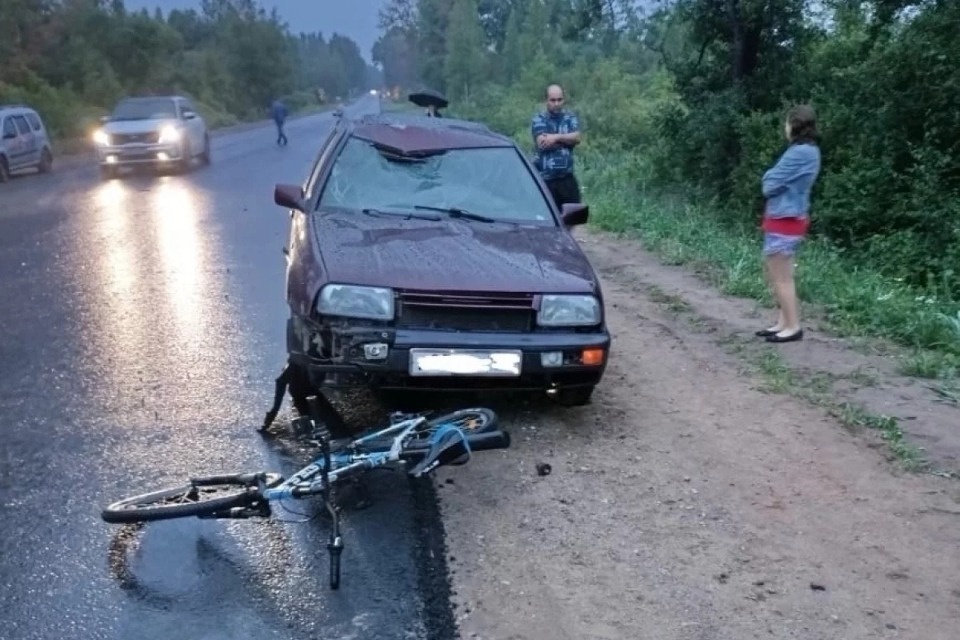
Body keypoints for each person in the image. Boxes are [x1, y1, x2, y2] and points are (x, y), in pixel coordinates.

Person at [755, 104, 821, 343]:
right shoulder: (810, 151)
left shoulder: (799, 153)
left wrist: (769, 176)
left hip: (786, 219)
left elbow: (769, 184)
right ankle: (783, 322)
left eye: (786, 123)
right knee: (779, 274)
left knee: (781, 276)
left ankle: (792, 327)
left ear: (793, 125)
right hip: (789, 217)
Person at [531, 84, 582, 209]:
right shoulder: (539, 120)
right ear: (546, 101)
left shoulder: (570, 118)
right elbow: (542, 143)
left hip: (567, 178)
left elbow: (577, 138)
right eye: (553, 100)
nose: (556, 103)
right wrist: (566, 140)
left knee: (573, 218)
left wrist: (555, 138)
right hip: (546, 180)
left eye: (559, 100)